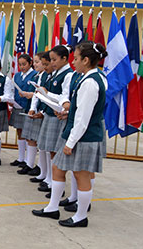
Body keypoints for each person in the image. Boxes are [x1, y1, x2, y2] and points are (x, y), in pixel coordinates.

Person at [32, 42, 108, 228]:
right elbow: (79, 109)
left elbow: (83, 118)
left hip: (84, 137)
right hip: (79, 134)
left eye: (76, 58)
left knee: (81, 176)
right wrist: (66, 112)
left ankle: (81, 216)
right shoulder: (87, 78)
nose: (74, 62)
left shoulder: (90, 82)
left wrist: (70, 142)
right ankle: (52, 208)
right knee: (58, 169)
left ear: (86, 60)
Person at [36, 45, 74, 195]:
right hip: (51, 114)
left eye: (54, 59)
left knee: (55, 152)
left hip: (59, 116)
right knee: (49, 149)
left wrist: (47, 94)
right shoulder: (56, 73)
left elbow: (65, 97)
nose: (52, 63)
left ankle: (56, 183)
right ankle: (51, 180)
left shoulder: (68, 75)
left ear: (65, 59)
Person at [23, 52, 50, 180]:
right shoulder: (40, 76)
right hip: (37, 110)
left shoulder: (47, 76)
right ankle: (32, 165)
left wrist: (42, 111)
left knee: (42, 143)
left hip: (45, 112)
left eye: (38, 62)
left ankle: (41, 169)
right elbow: (37, 93)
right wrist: (32, 108)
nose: (36, 64)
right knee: (32, 138)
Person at [9, 54, 37, 169]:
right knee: (19, 132)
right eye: (20, 64)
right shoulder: (17, 76)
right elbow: (13, 90)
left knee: (28, 134)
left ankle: (28, 160)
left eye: (24, 64)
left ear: (30, 63)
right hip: (18, 106)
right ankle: (21, 157)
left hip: (28, 107)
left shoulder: (34, 75)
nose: (22, 67)